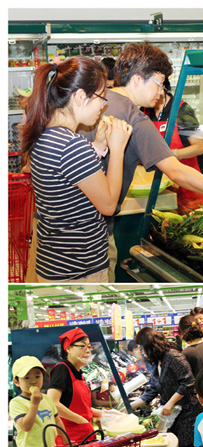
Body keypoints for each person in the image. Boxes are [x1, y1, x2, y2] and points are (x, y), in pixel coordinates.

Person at [78, 42, 203, 271]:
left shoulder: (96, 102)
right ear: (137, 79)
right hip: (93, 235)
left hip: (64, 227)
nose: (161, 92)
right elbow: (177, 171)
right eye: (159, 83)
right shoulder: (135, 120)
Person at [21, 56, 132, 282]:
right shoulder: (73, 145)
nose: (104, 105)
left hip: (53, 263)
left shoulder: (46, 135)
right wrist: (118, 148)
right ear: (80, 97)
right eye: (101, 97)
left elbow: (68, 173)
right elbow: (109, 205)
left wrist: (99, 146)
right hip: (80, 270)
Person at [130, 327, 203, 447]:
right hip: (174, 416)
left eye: (141, 347)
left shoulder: (173, 356)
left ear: (149, 345)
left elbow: (188, 382)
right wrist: (127, 407)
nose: (141, 352)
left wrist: (170, 403)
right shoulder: (157, 363)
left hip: (188, 413)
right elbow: (152, 390)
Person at [142, 77, 203, 214]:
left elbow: (199, 147)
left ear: (161, 88)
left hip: (186, 184)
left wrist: (171, 154)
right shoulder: (145, 110)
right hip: (160, 186)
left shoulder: (182, 110)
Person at [47, 328, 103, 443]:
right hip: (70, 440)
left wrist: (105, 414)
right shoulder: (62, 369)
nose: (88, 350)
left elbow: (82, 409)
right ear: (68, 348)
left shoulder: (79, 373)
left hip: (85, 436)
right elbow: (52, 402)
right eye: (82, 346)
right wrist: (81, 420)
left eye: (89, 346)